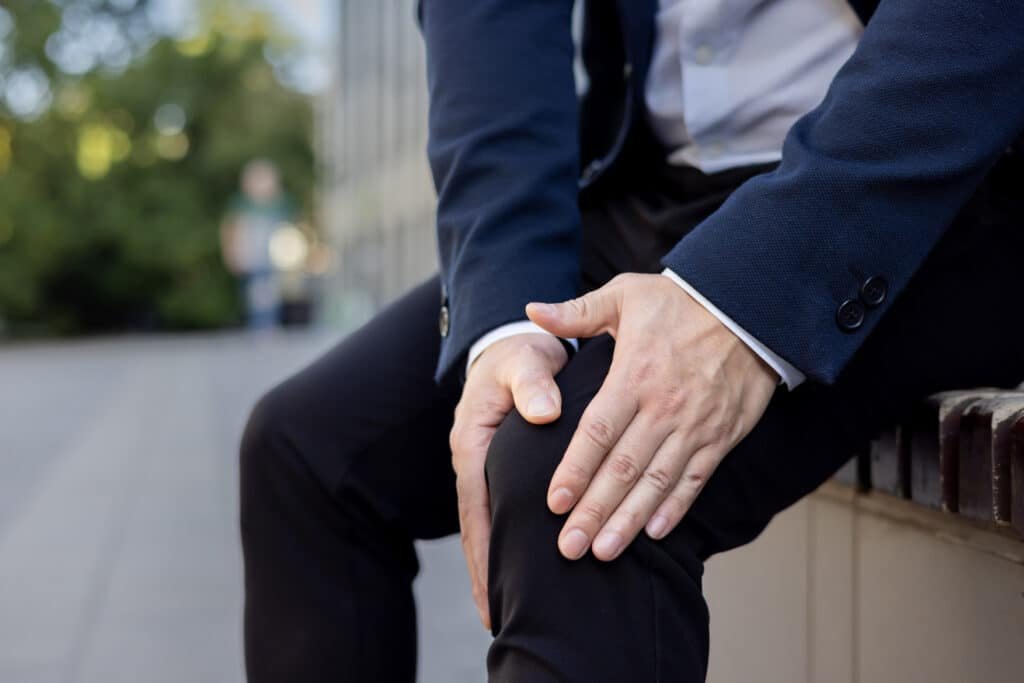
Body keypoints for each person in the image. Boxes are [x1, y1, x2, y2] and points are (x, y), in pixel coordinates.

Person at [239, 1, 1024, 681]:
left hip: (937, 176)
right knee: (308, 450)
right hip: (660, 183)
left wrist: (750, 298)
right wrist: (504, 321)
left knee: (575, 476)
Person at [220, 160, 294, 331]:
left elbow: (291, 231)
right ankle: (259, 325)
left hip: (274, 258)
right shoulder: (241, 204)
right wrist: (231, 253)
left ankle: (269, 324)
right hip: (251, 257)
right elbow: (229, 229)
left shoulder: (281, 204)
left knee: (270, 293)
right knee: (255, 294)